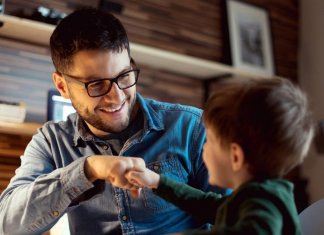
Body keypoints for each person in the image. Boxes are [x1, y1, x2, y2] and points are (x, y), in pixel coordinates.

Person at [0, 8, 217, 235]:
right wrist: (87, 169)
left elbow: (235, 218)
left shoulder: (191, 127)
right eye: (96, 84)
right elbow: (6, 226)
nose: (117, 97)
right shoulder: (51, 142)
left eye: (124, 76)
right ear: (62, 86)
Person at [125, 78, 315, 234]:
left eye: (210, 142)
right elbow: (207, 205)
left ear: (235, 157)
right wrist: (157, 182)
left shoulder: (263, 203)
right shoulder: (253, 195)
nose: (204, 148)